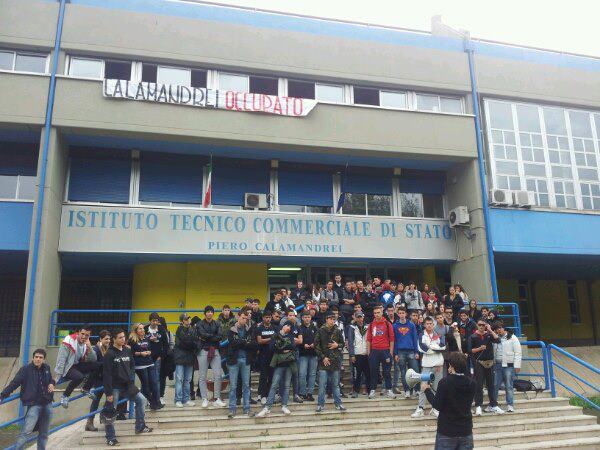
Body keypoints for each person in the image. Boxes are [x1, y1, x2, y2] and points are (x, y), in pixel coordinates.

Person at [102, 329, 152, 446]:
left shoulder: (127, 350)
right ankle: (110, 437)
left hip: (127, 385)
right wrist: (108, 393)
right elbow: (107, 374)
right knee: (110, 411)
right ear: (114, 339)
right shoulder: (109, 354)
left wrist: (129, 375)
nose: (123, 339)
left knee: (142, 400)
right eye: (120, 337)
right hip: (114, 387)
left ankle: (140, 426)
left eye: (124, 337)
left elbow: (132, 364)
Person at [1, 349, 55, 450]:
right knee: (26, 432)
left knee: (44, 433)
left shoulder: (47, 368)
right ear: (33, 358)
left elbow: (50, 379)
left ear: (44, 359)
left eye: (40, 358)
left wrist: (52, 383)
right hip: (34, 405)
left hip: (48, 403)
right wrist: (3, 395)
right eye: (36, 357)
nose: (38, 359)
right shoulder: (25, 370)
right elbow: (14, 383)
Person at [423, 352, 476, 450]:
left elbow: (437, 405)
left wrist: (427, 390)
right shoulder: (472, 383)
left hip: (447, 432)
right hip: (466, 431)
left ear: (452, 366)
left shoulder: (445, 382)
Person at [54, 324, 100, 408]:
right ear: (78, 333)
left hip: (77, 365)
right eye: (82, 334)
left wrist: (89, 347)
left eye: (87, 335)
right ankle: (65, 396)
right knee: (79, 377)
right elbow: (61, 359)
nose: (84, 337)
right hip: (67, 367)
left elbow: (93, 359)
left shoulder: (86, 343)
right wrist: (57, 376)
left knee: (98, 366)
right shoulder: (68, 341)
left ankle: (86, 388)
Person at [256, 322, 297, 417]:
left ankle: (284, 405)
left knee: (287, 386)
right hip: (279, 364)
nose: (289, 328)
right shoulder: (276, 335)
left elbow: (293, 346)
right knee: (274, 385)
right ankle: (267, 407)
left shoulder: (291, 336)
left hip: (289, 363)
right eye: (288, 325)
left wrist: (281, 347)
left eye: (290, 327)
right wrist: (283, 349)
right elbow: (272, 347)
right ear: (283, 326)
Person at [412, 317, 446, 418]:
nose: (429, 325)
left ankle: (435, 408)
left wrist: (431, 346)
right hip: (427, 364)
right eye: (427, 324)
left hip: (438, 364)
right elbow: (422, 348)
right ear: (424, 325)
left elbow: (443, 347)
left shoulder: (438, 335)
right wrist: (435, 348)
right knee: (423, 387)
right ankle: (420, 408)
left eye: (431, 323)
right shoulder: (421, 335)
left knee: (437, 387)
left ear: (433, 324)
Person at [226, 307, 257, 418]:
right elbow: (232, 343)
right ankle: (232, 409)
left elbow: (253, 343)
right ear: (238, 317)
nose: (244, 320)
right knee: (233, 386)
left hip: (246, 360)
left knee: (246, 385)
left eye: (246, 318)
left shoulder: (249, 329)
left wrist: (241, 342)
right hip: (234, 361)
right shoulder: (231, 329)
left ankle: (247, 409)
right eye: (243, 318)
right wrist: (244, 342)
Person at [469, 320, 503, 415]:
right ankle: (478, 405)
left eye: (483, 325)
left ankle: (493, 405)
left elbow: (498, 340)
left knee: (491, 384)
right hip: (479, 362)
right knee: (479, 384)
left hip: (490, 362)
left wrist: (490, 330)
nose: (481, 326)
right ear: (477, 325)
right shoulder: (473, 336)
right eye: (479, 325)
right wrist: (479, 349)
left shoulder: (488, 335)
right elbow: (469, 350)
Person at [314, 311, 346, 412]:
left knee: (335, 384)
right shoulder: (320, 330)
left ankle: (338, 404)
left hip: (335, 360)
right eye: (331, 319)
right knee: (322, 384)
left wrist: (338, 345)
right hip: (323, 361)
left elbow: (342, 343)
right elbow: (316, 345)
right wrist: (323, 357)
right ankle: (320, 404)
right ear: (326, 319)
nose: (332, 320)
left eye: (334, 319)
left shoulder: (337, 330)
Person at [195, 305, 226, 408]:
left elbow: (220, 336)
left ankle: (217, 398)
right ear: (205, 313)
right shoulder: (199, 324)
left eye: (211, 312)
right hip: (203, 350)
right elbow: (201, 334)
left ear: (213, 313)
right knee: (202, 376)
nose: (209, 313)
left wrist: (208, 337)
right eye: (207, 312)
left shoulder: (217, 323)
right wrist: (213, 336)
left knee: (218, 375)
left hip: (215, 350)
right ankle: (204, 398)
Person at [129, 323, 161, 410]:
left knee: (154, 383)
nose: (142, 330)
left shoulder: (146, 339)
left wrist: (149, 352)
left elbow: (149, 348)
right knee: (146, 385)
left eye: (143, 328)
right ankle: (152, 402)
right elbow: (130, 352)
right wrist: (140, 353)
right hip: (140, 365)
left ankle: (156, 401)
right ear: (136, 331)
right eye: (140, 329)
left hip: (150, 363)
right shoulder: (132, 340)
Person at [492, 321, 522, 412]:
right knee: (495, 385)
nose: (498, 330)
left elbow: (518, 352)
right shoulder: (495, 338)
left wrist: (517, 365)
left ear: (504, 328)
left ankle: (510, 404)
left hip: (509, 365)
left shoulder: (512, 337)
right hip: (497, 364)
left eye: (500, 328)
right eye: (497, 329)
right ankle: (494, 404)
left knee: (509, 385)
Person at [367, 305, 395, 399]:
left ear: (382, 312)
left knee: (387, 372)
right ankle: (372, 390)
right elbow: (368, 340)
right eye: (375, 313)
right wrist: (369, 353)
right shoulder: (371, 325)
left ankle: (389, 390)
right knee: (373, 372)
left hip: (385, 351)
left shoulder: (387, 324)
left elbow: (392, 339)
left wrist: (390, 353)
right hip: (374, 351)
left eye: (378, 312)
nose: (377, 314)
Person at [86, 330, 112, 431]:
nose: (108, 341)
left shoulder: (108, 348)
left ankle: (103, 417)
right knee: (96, 401)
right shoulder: (96, 349)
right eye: (106, 339)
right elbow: (94, 364)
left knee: (110, 399)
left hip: (106, 378)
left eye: (109, 339)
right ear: (100, 339)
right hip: (98, 379)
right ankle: (90, 422)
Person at [392, 307, 419, 398]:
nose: (401, 315)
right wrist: (395, 353)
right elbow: (394, 340)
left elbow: (415, 339)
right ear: (398, 314)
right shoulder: (395, 326)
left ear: (406, 314)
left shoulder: (411, 325)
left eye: (403, 313)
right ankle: (407, 390)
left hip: (411, 351)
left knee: (415, 371)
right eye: (400, 313)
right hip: (400, 351)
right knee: (403, 373)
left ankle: (416, 390)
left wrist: (416, 351)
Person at [145, 312, 169, 407]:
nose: (155, 323)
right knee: (146, 379)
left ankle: (157, 399)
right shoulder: (145, 329)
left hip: (157, 358)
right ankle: (147, 398)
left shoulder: (161, 329)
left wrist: (161, 356)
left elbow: (166, 344)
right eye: (153, 321)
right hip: (146, 358)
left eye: (156, 321)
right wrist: (149, 340)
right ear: (150, 321)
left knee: (156, 379)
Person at [173, 313, 197, 407]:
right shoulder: (179, 329)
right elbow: (180, 343)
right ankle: (178, 399)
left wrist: (189, 343)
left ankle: (186, 399)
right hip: (180, 357)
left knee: (188, 380)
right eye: (186, 319)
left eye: (189, 318)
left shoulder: (193, 329)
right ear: (182, 321)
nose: (188, 320)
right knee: (179, 379)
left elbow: (195, 342)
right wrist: (190, 343)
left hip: (190, 357)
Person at [348, 312, 370, 397]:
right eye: (358, 317)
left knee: (368, 374)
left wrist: (369, 352)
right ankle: (356, 391)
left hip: (366, 354)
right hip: (357, 354)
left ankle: (369, 391)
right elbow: (350, 342)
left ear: (363, 317)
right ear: (355, 318)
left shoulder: (368, 327)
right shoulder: (352, 328)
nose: (360, 319)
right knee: (357, 374)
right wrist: (352, 355)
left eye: (361, 317)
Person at [256, 310, 275, 404]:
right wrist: (271, 339)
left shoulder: (274, 327)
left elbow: (276, 340)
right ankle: (262, 395)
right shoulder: (259, 328)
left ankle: (267, 394)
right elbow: (259, 341)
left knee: (271, 376)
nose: (268, 319)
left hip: (273, 355)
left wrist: (267, 340)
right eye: (266, 317)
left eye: (269, 317)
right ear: (263, 318)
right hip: (263, 355)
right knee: (263, 376)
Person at [298, 311, 318, 401]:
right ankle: (302, 393)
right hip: (303, 354)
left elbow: (318, 339)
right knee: (302, 374)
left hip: (313, 354)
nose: (307, 319)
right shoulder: (299, 328)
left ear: (311, 318)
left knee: (312, 374)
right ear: (302, 318)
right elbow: (296, 341)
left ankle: (310, 393)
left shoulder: (314, 328)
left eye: (308, 317)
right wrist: (303, 345)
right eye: (305, 317)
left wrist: (314, 344)